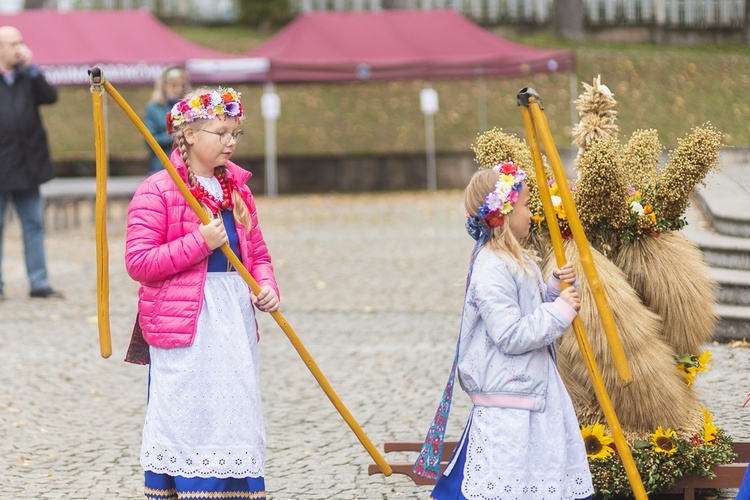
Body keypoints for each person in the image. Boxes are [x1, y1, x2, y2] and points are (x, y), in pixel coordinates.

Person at [125, 87, 280, 500]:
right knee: (190, 414)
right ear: (190, 134)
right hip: (185, 319)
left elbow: (257, 253)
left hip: (233, 317)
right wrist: (199, 241)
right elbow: (139, 262)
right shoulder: (159, 189)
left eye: (236, 133)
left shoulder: (238, 190)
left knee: (234, 411)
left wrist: (265, 285)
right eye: (222, 132)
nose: (231, 141)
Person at [414, 163, 595, 499]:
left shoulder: (519, 260)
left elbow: (530, 312)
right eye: (526, 205)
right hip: (508, 401)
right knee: (506, 478)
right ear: (503, 214)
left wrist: (553, 290)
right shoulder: (492, 267)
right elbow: (511, 334)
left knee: (536, 479)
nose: (531, 213)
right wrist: (561, 310)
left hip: (531, 391)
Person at [0, 26, 62, 299]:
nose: (20, 48)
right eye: (13, 43)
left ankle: (39, 283)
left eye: (21, 42)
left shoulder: (28, 76)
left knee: (34, 225)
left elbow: (50, 97)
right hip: (2, 163)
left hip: (27, 165)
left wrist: (33, 69)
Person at [143, 66, 190, 174]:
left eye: (182, 85)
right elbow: (150, 140)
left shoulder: (188, 106)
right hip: (162, 165)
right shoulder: (153, 108)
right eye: (174, 85)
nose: (179, 89)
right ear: (164, 86)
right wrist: (177, 134)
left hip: (187, 164)